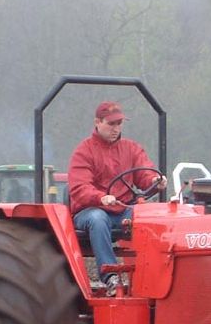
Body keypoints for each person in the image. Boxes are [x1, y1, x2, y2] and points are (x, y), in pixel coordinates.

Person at [69, 101, 167, 296]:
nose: (116, 129)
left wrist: (154, 181)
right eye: (111, 124)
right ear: (97, 122)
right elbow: (79, 188)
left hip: (122, 209)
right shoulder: (84, 151)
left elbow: (144, 174)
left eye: (119, 124)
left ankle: (155, 275)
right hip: (90, 210)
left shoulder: (131, 149)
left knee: (151, 218)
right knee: (98, 219)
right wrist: (101, 198)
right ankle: (111, 276)